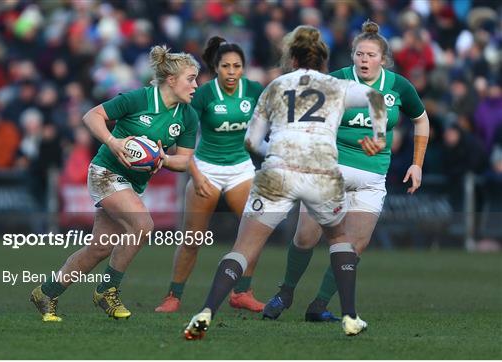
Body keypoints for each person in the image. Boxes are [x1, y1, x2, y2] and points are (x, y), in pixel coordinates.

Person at [184, 25, 388, 339]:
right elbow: (376, 97)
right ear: (323, 59)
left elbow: (251, 141)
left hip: (277, 172)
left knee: (244, 248)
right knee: (338, 239)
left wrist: (275, 150)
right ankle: (350, 316)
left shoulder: (276, 86)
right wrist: (377, 136)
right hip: (322, 173)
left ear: (291, 58)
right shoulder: (336, 85)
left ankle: (207, 309)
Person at [262, 21, 430, 323]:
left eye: (371, 55)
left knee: (354, 246)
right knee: (305, 237)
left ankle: (319, 305)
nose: (364, 60)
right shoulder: (336, 81)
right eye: (359, 54)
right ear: (352, 56)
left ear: (383, 59)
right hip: (329, 170)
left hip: (372, 177)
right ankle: (285, 292)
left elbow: (421, 120)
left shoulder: (398, 86)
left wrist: (417, 163)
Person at [30, 45, 200, 322]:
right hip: (105, 172)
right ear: (171, 80)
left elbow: (184, 161)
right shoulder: (140, 99)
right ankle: (107, 291)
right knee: (143, 225)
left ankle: (46, 292)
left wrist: (163, 159)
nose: (196, 85)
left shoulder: (187, 116)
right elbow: (91, 116)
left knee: (99, 248)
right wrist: (114, 142)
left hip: (130, 184)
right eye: (191, 78)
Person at [155, 37, 266, 313]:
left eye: (237, 66)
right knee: (192, 239)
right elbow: (185, 136)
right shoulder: (203, 94)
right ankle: (173, 296)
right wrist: (196, 174)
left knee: (254, 232)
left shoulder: (254, 90)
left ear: (244, 68)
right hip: (205, 168)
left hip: (241, 169)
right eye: (226, 66)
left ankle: (242, 292)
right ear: (216, 67)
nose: (231, 71)